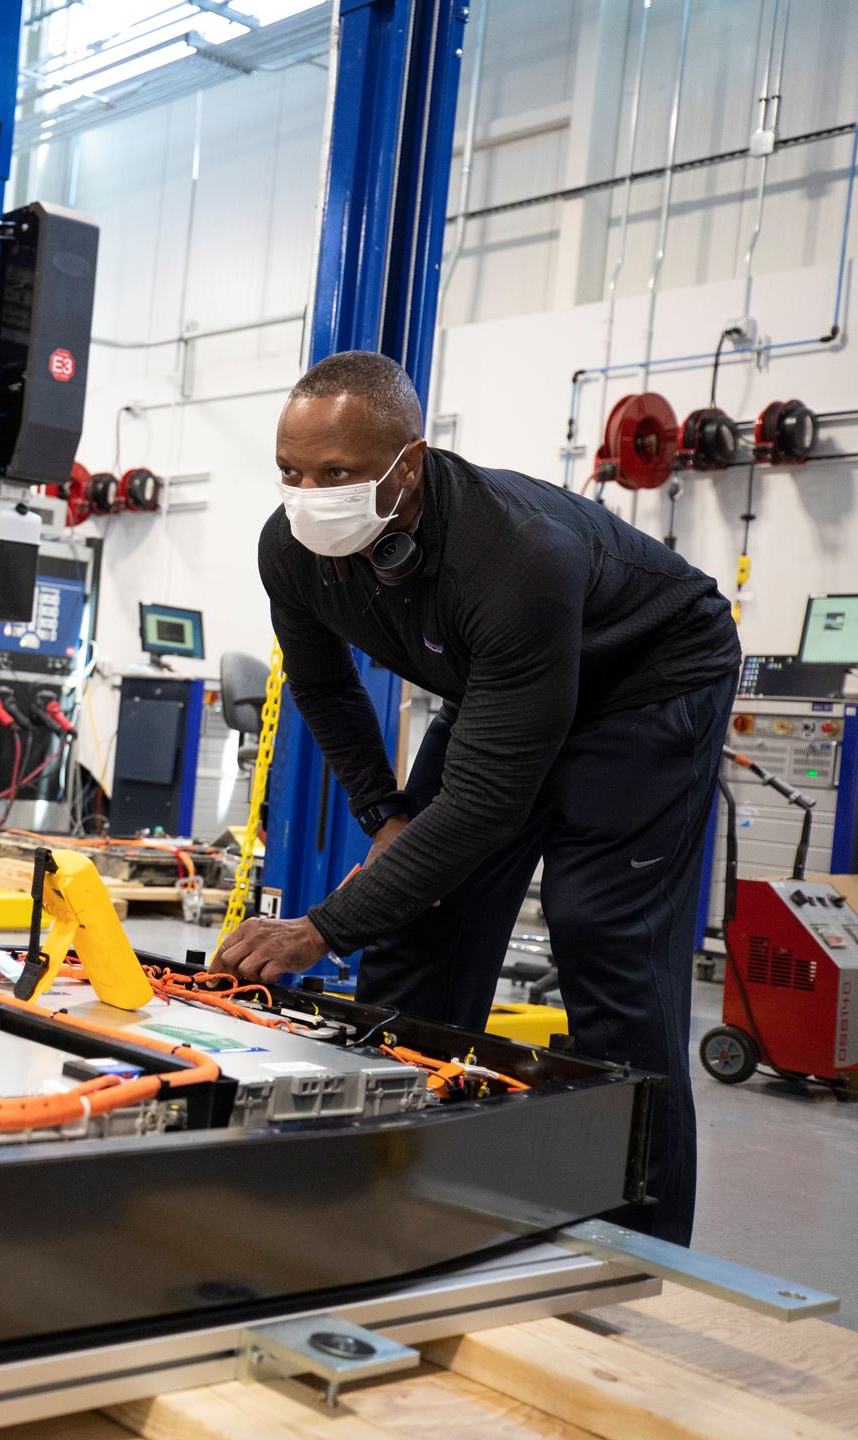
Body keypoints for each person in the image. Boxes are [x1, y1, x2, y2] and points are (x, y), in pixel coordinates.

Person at [215, 350, 739, 1244]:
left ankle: (639, 1243)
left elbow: (488, 802)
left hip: (647, 685)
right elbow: (328, 690)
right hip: (504, 688)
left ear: (407, 464)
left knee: (607, 948)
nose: (308, 494)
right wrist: (384, 816)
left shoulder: (516, 553)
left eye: (336, 474)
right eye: (291, 473)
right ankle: (398, 1196)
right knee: (420, 930)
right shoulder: (292, 547)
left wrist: (321, 928)